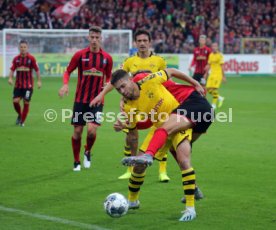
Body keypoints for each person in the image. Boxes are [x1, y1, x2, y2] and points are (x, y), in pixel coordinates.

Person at [111, 68, 212, 221]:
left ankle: (190, 209)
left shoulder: (149, 80)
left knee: (184, 161)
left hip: (178, 119)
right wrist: (124, 126)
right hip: (159, 127)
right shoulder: (127, 106)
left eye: (123, 86)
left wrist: (194, 82)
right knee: (139, 165)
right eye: (118, 90)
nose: (122, 91)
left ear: (130, 80)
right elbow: (140, 126)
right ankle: (132, 201)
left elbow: (171, 71)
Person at [58, 26, 113, 171]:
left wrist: (106, 88)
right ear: (88, 38)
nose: (94, 40)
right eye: (92, 37)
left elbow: (109, 77)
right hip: (80, 101)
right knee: (77, 132)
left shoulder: (107, 58)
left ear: (101, 38)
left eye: (97, 37)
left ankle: (87, 151)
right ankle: (76, 161)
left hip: (98, 101)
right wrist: (65, 85)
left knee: (92, 130)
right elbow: (68, 71)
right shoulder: (80, 55)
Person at [119, 29, 169, 182]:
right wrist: (122, 99)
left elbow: (166, 82)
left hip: (156, 104)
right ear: (135, 43)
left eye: (144, 41)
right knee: (130, 135)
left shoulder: (159, 61)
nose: (142, 43)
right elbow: (122, 82)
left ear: (149, 42)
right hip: (136, 105)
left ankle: (163, 171)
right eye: (139, 41)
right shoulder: (129, 62)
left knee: (161, 132)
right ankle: (130, 169)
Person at [8, 40, 41, 127]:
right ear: (19, 48)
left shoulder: (31, 58)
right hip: (18, 85)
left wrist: (39, 81)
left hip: (28, 86)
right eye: (21, 47)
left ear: (27, 48)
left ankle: (22, 121)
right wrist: (10, 78)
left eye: (24, 47)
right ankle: (20, 114)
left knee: (26, 102)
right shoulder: (16, 59)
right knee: (15, 102)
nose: (23, 49)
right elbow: (12, 69)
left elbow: (37, 70)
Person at [204, 42, 226, 109]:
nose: (214, 47)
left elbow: (222, 66)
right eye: (213, 46)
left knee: (214, 89)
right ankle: (219, 97)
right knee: (207, 89)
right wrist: (205, 73)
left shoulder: (220, 55)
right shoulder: (210, 55)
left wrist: (223, 76)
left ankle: (213, 105)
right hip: (211, 74)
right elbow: (209, 65)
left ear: (217, 47)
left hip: (218, 75)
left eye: (215, 46)